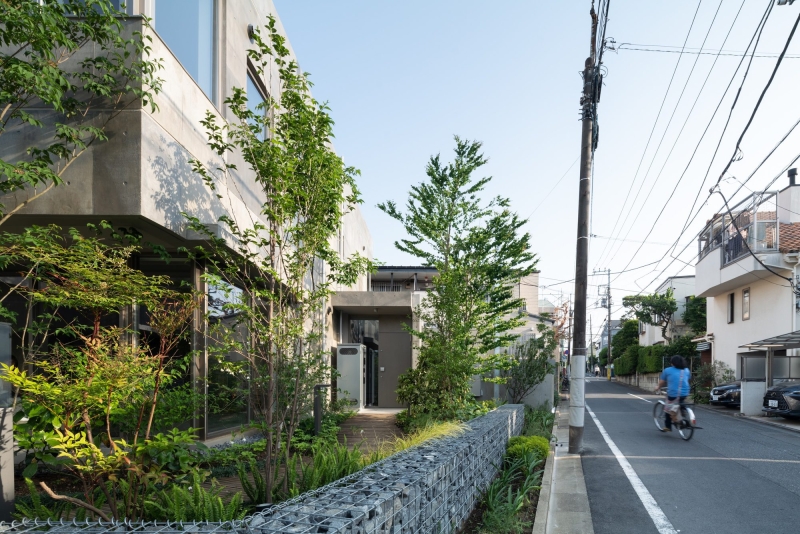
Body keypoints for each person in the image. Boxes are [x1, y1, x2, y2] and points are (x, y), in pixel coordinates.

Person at [655, 355, 691, 432]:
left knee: (667, 408)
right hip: (685, 392)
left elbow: (662, 382)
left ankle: (668, 426)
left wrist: (658, 387)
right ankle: (682, 410)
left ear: (672, 363)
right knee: (680, 401)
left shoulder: (667, 370)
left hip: (673, 394)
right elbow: (687, 379)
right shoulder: (686, 370)